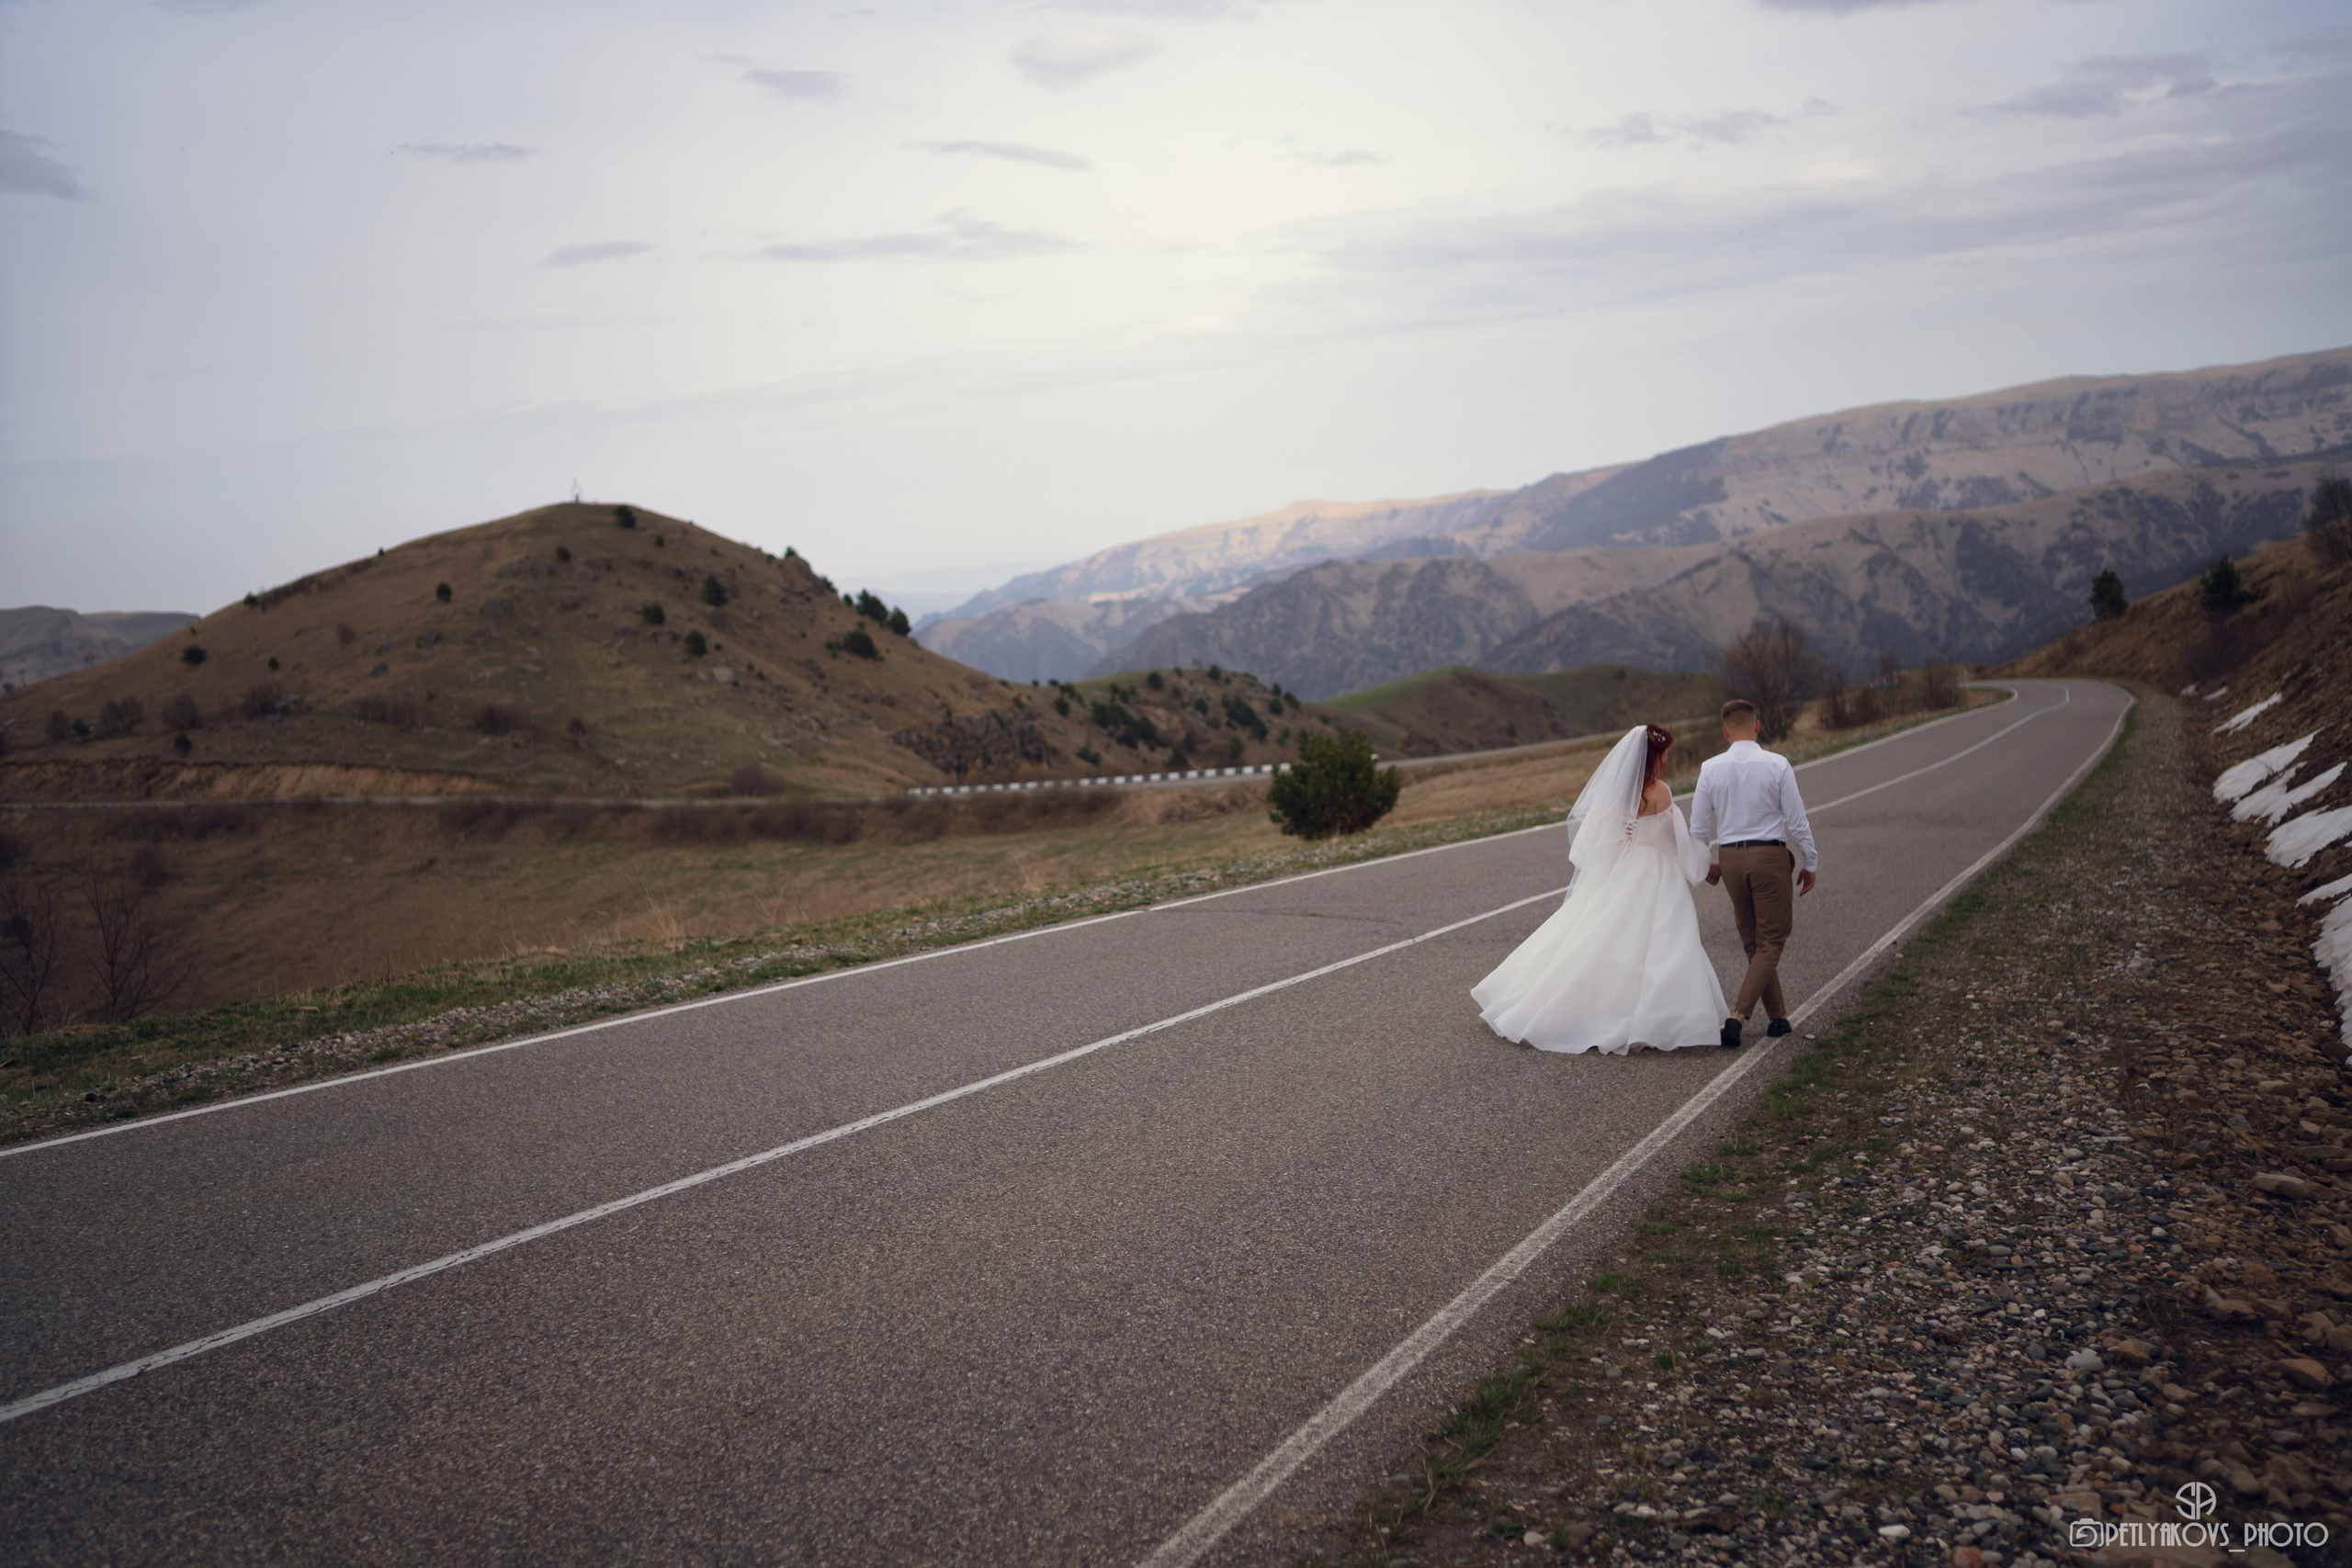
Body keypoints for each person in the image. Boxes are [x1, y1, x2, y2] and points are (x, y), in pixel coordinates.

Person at [1471, 724, 1728, 1055]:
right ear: (1655, 756)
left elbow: (1605, 834)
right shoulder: (1659, 792)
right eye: (1665, 754)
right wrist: (1706, 866)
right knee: (1663, 941)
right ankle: (1662, 1019)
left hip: (1622, 865)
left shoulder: (1618, 792)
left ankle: (1590, 1003)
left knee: (1601, 934)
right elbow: (1673, 843)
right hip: (1652, 870)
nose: (1667, 759)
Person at [1689, 698, 1818, 1050]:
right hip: (1768, 857)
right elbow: (1797, 819)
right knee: (1772, 940)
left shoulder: (1710, 768)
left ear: (1725, 731)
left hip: (1730, 859)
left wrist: (1706, 864)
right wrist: (1810, 861)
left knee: (1754, 942)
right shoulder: (1777, 764)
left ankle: (1778, 1017)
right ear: (1757, 726)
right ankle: (1738, 1016)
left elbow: (1698, 827)